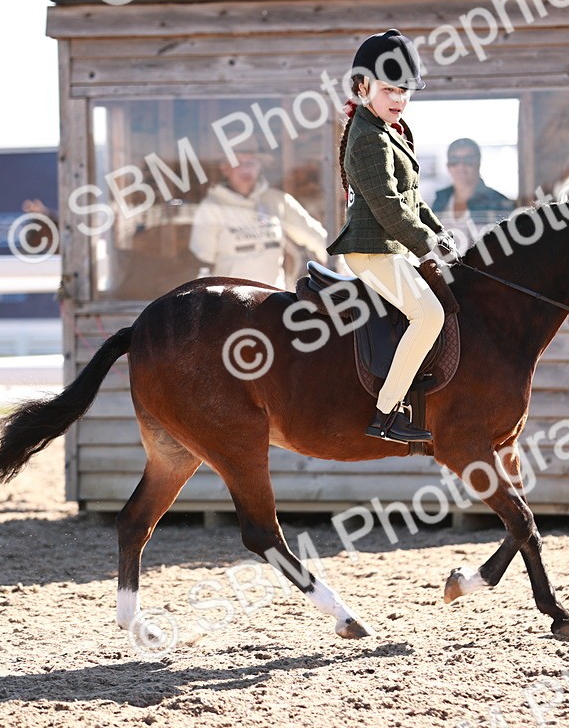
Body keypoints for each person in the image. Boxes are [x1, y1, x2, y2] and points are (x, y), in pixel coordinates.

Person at [327, 29, 454, 444]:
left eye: (404, 91)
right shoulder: (368, 139)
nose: (398, 99)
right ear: (362, 86)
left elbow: (412, 200)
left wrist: (439, 233)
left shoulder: (390, 131)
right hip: (370, 251)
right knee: (429, 315)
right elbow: (388, 208)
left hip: (391, 246)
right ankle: (386, 413)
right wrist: (426, 245)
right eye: (388, 89)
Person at [189, 146, 327, 289]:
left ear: (260, 166)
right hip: (229, 304)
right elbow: (202, 262)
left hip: (274, 301)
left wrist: (345, 274)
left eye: (251, 162)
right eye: (238, 163)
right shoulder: (211, 208)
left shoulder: (277, 201)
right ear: (224, 168)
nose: (246, 169)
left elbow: (317, 238)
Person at [431, 138, 511, 250]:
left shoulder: (498, 202)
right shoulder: (440, 200)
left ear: (478, 163)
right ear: (448, 166)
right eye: (455, 160)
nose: (461, 166)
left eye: (468, 160)